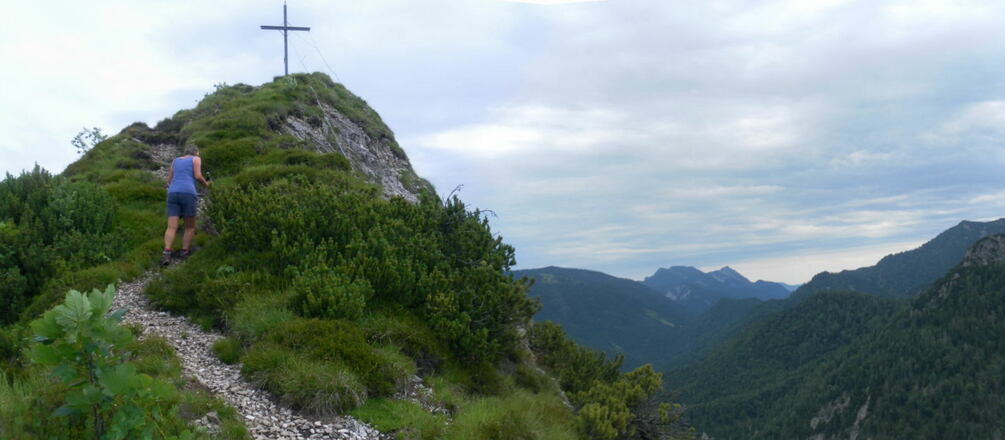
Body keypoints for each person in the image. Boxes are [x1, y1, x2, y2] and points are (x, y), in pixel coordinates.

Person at [162, 144, 211, 266]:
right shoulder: (196, 159)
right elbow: (198, 176)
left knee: (171, 227)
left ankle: (167, 253)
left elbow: (169, 180)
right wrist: (206, 184)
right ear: (196, 152)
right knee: (189, 226)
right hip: (188, 193)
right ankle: (184, 252)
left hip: (173, 193)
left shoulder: (175, 161)